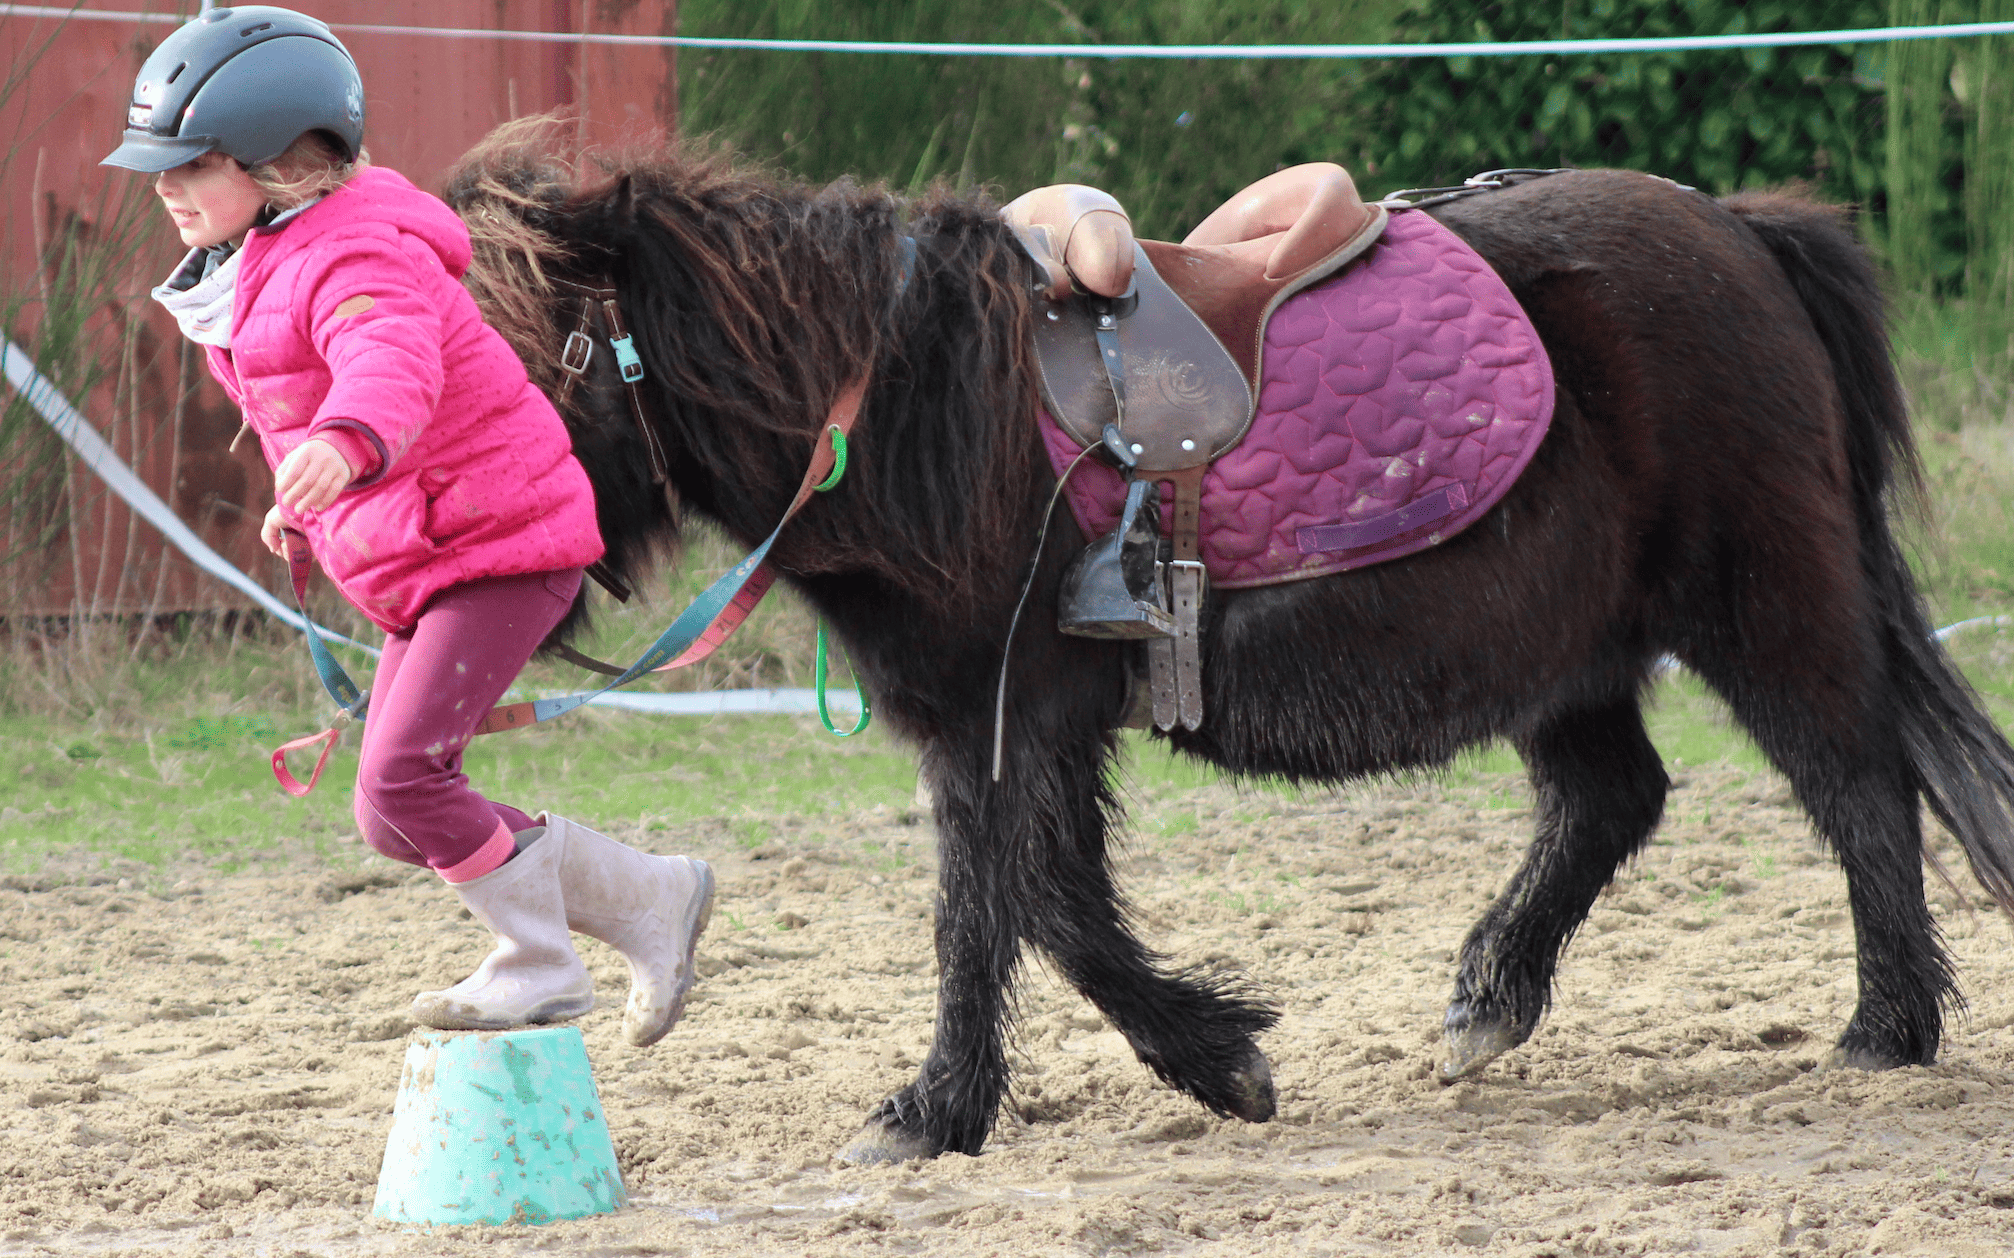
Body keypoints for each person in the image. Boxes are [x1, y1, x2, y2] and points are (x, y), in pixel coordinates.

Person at [103, 6, 713, 1047]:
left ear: (275, 163)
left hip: (500, 547)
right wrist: (315, 503)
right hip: (431, 552)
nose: (164, 186)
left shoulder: (355, 253)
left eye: (191, 163)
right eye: (159, 165)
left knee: (402, 775)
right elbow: (303, 393)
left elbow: (387, 361)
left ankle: (539, 963)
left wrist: (345, 443)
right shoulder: (260, 262)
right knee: (390, 814)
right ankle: (650, 898)